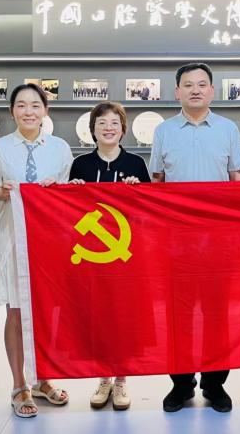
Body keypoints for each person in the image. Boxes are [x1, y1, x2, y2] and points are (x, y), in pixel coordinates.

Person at [150, 62, 240, 413]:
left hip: (219, 240)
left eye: (202, 84)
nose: (195, 90)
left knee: (217, 313)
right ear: (177, 91)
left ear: (212, 90)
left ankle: (214, 383)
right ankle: (181, 384)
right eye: (188, 85)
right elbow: (156, 182)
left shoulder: (228, 129)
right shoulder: (163, 131)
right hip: (176, 241)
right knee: (178, 314)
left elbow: (238, 179)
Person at [0, 84, 72, 418]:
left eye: (35, 105)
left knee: (47, 312)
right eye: (21, 105)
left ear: (45, 110)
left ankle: (43, 379)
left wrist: (55, 191)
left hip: (49, 241)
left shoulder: (60, 148)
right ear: (12, 111)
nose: (28, 111)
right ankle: (19, 384)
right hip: (13, 239)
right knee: (17, 312)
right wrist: (7, 192)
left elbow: (67, 194)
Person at [69, 101, 150, 410]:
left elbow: (147, 213)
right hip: (93, 257)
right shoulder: (81, 165)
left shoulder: (136, 164)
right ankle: (103, 378)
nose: (108, 128)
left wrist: (137, 190)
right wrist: (71, 190)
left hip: (125, 257)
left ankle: (121, 379)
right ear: (92, 129)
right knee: (98, 317)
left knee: (123, 316)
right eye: (101, 123)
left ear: (123, 129)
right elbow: (70, 214)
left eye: (114, 123)